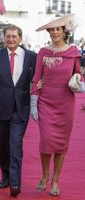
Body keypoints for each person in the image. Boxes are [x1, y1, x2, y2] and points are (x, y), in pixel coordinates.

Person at [0, 24, 37, 197]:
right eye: (8, 36)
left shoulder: (31, 57)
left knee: (16, 144)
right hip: (1, 107)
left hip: (21, 109)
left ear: (20, 38)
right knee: (4, 145)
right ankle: (5, 175)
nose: (11, 39)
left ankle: (15, 182)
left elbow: (39, 78)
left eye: (14, 36)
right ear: (4, 38)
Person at [30, 14, 85, 196]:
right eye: (52, 30)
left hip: (65, 103)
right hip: (46, 102)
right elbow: (36, 78)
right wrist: (33, 101)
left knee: (61, 144)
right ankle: (45, 176)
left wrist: (78, 80)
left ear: (64, 32)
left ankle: (55, 181)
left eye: (58, 29)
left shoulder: (73, 52)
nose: (54, 32)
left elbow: (79, 74)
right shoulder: (43, 53)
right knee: (46, 142)